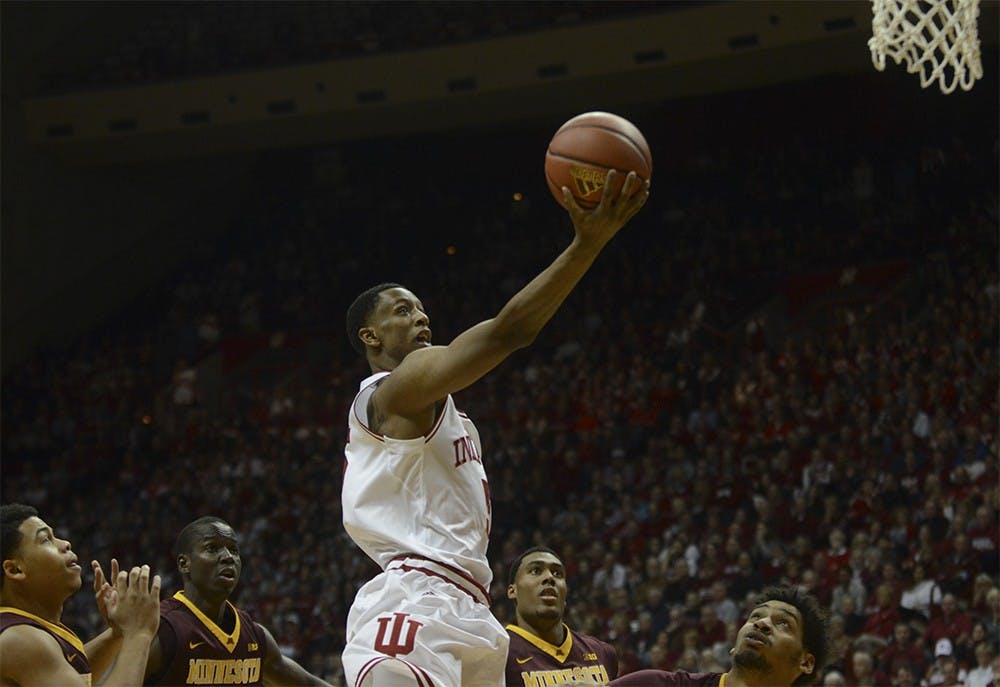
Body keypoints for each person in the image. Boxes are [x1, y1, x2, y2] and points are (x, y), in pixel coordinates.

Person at [341, 170, 649, 686]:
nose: (421, 317)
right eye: (402, 310)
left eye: (422, 309)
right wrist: (585, 245)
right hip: (415, 598)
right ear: (370, 335)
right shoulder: (393, 390)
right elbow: (511, 331)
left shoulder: (452, 415)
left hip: (471, 609)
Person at [142, 516, 332, 686]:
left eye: (234, 550)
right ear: (184, 564)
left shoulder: (255, 636)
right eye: (212, 548)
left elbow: (308, 684)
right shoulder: (161, 629)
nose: (228, 557)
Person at [0, 503, 161, 687]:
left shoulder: (27, 635)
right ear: (15, 569)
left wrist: (117, 633)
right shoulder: (21, 640)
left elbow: (72, 673)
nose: (65, 543)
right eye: (46, 539)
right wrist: (138, 633)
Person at [607, 584, 829, 687]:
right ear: (734, 646)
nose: (762, 623)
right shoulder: (657, 685)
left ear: (806, 662)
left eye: (783, 623)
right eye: (755, 617)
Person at [505, 546, 618, 686]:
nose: (549, 577)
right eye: (536, 571)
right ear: (512, 591)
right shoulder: (496, 653)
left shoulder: (603, 653)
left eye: (557, 573)